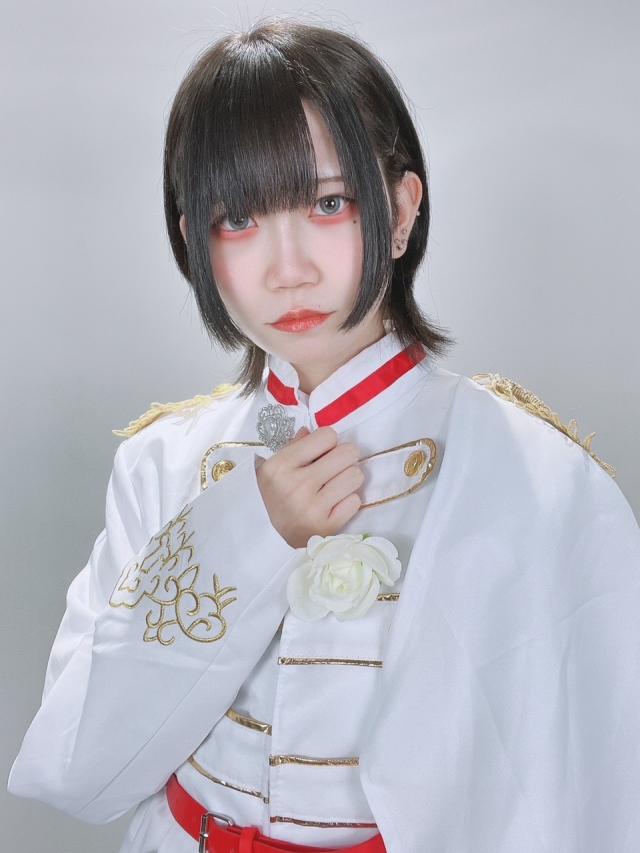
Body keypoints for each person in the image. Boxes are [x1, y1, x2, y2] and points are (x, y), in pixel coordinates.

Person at [8, 17, 640, 853]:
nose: (289, 268)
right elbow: (81, 772)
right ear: (192, 239)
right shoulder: (162, 461)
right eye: (239, 219)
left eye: (329, 203)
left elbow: (592, 801)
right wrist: (248, 532)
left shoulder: (537, 477)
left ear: (402, 209)